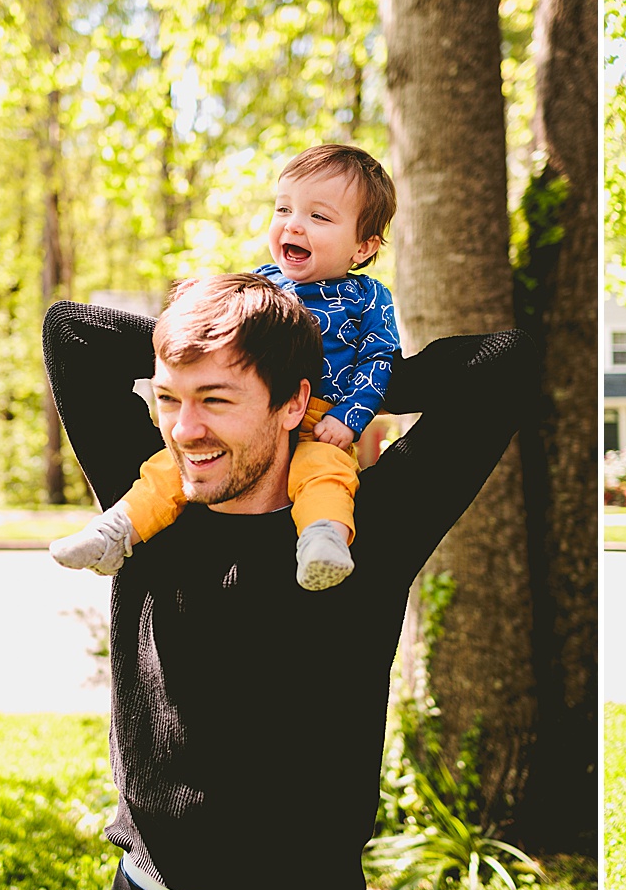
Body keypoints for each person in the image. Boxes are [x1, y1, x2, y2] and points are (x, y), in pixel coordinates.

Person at [43, 273, 536, 890]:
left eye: (217, 398)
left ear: (290, 402)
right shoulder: (149, 507)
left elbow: (504, 362)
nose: (184, 428)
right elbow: (69, 329)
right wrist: (218, 341)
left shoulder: (366, 531)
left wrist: (358, 377)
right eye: (170, 397)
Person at [50, 143, 399, 591]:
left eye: (319, 217)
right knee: (164, 471)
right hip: (260, 412)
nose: (293, 224)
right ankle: (114, 533)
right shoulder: (258, 284)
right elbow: (71, 328)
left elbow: (381, 361)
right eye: (284, 209)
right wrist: (200, 353)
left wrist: (352, 416)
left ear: (364, 245)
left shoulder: (369, 299)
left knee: (326, 476)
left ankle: (321, 541)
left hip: (322, 421)